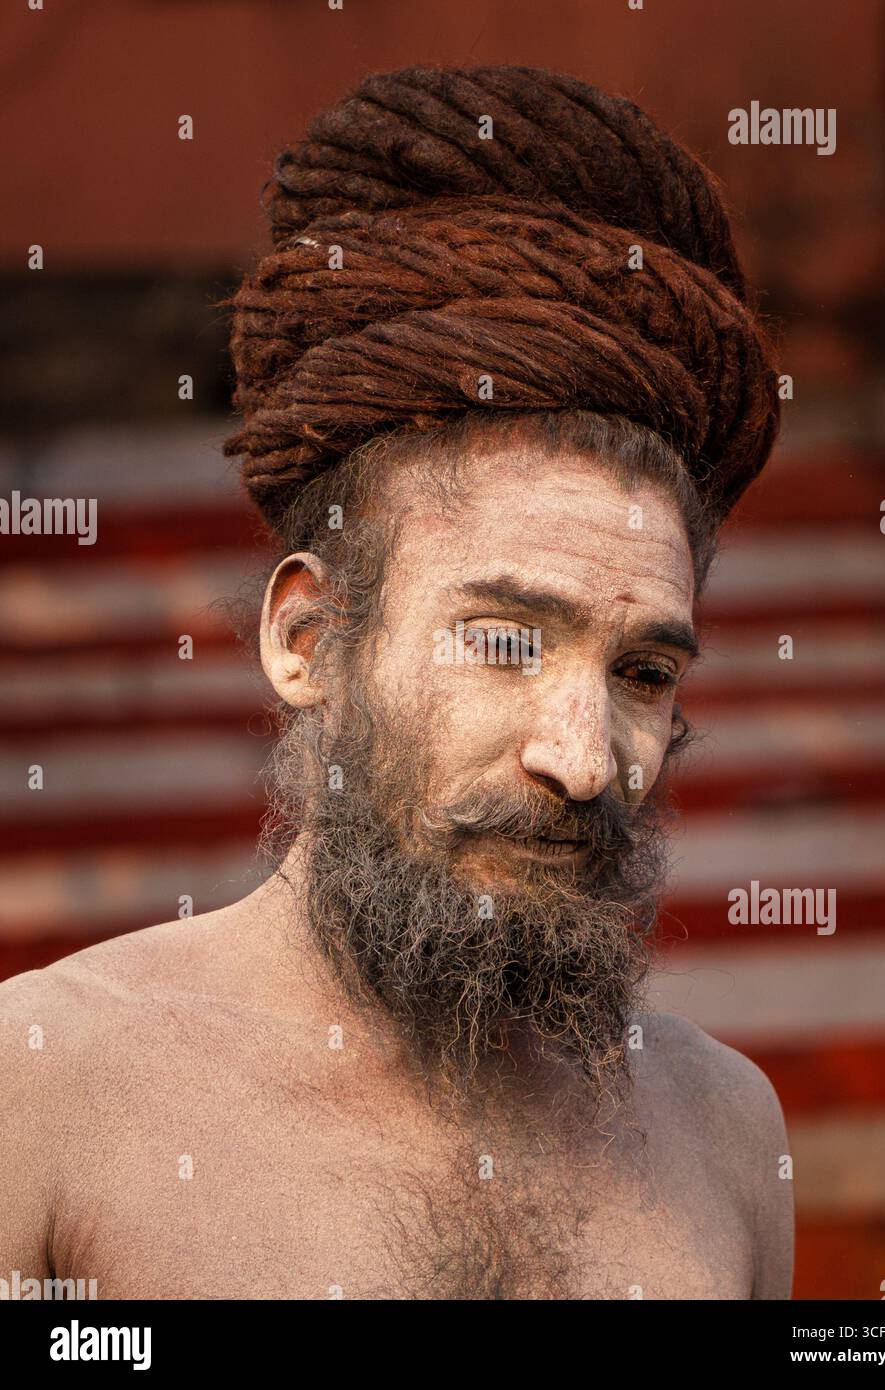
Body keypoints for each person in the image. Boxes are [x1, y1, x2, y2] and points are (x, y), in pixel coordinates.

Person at [0, 64, 792, 1300]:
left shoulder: (731, 1133)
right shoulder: (47, 1087)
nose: (583, 760)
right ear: (308, 639)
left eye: (643, 669)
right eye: (507, 639)